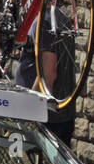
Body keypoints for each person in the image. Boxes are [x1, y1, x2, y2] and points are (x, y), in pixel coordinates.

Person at [14, 9, 78, 145]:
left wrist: (27, 113)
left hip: (45, 119)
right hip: (59, 115)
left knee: (33, 163)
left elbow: (48, 75)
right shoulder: (61, 18)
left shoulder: (43, 22)